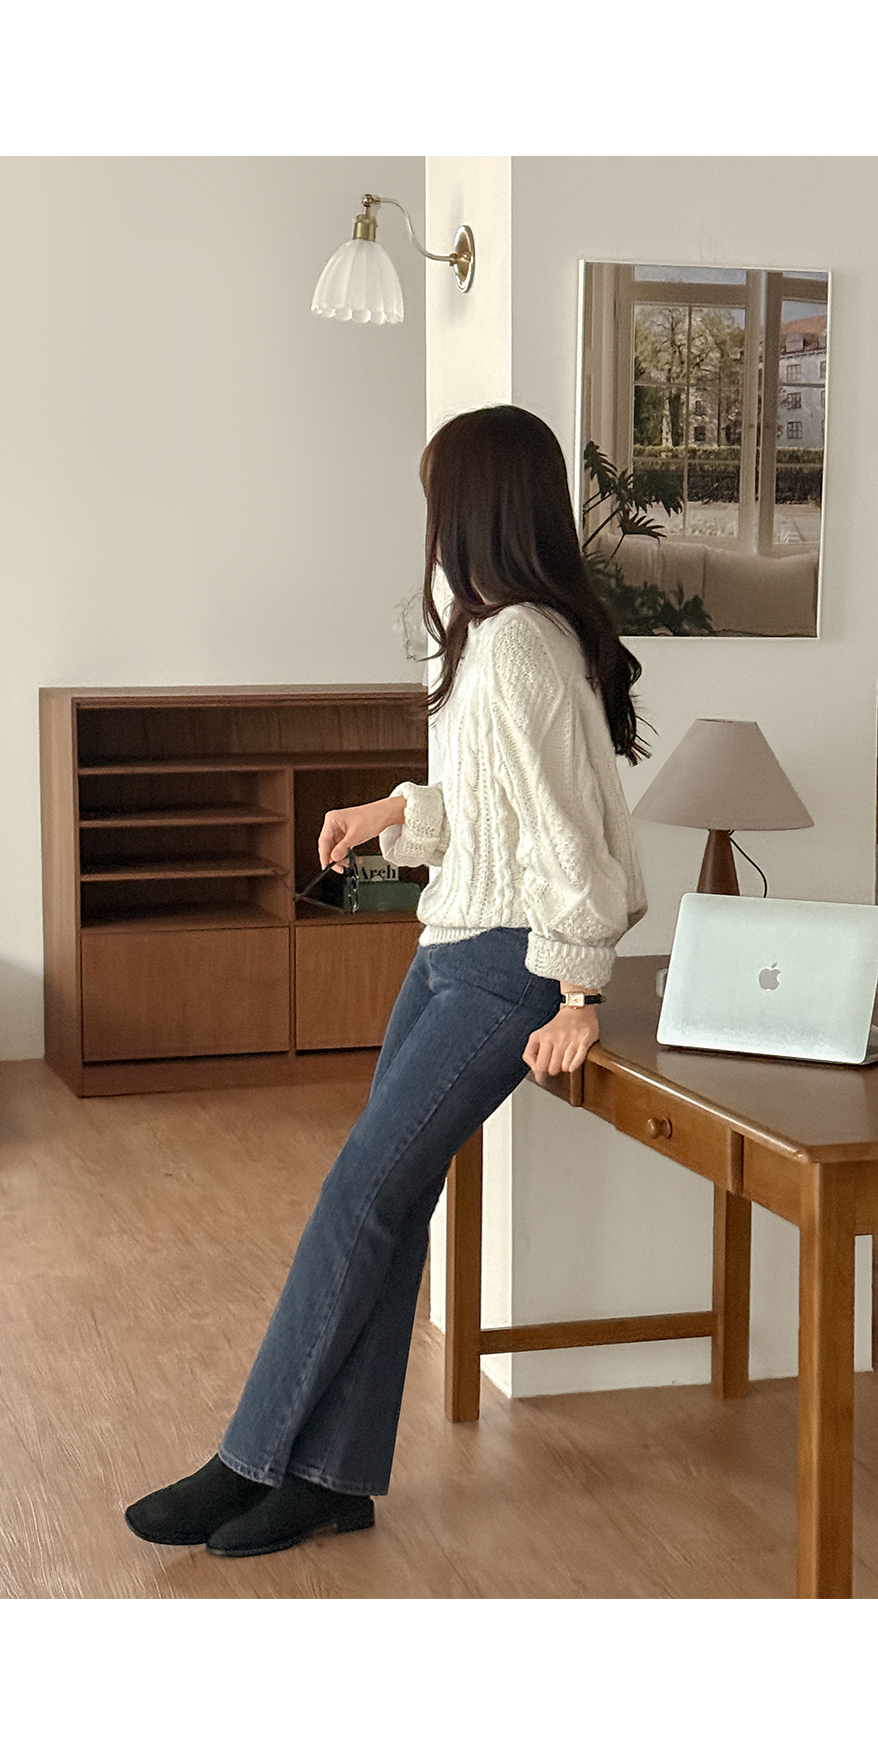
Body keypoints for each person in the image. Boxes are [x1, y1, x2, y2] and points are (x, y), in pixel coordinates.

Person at [124, 405, 651, 1559]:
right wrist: (393, 810)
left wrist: (578, 991)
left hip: (507, 965)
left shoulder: (516, 643)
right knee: (389, 1204)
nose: (428, 522)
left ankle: (248, 1460)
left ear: (473, 505)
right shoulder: (496, 635)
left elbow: (567, 834)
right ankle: (333, 1480)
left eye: (435, 496)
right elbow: (493, 804)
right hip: (450, 947)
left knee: (357, 1196)